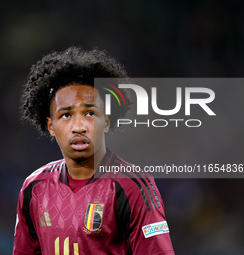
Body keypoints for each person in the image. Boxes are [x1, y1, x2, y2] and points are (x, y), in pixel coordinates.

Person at [13, 46, 174, 255]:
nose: (79, 126)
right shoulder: (34, 188)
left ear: (106, 122)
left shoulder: (133, 187)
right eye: (66, 115)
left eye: (90, 113)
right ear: (51, 126)